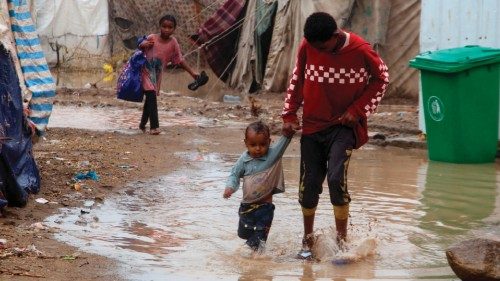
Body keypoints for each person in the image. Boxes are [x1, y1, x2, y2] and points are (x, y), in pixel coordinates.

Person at [281, 12, 389, 259]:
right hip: (312, 126)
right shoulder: (307, 46)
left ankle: (342, 241)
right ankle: (307, 240)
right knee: (308, 187)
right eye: (314, 46)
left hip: (343, 127)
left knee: (335, 179)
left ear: (335, 36)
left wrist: (356, 110)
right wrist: (288, 115)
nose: (319, 50)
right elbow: (297, 80)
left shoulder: (360, 49)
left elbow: (382, 78)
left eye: (323, 46)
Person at [223, 121, 294, 251]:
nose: (258, 148)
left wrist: (289, 132)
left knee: (259, 239)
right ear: (246, 143)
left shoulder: (272, 156)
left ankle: (255, 260)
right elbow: (234, 174)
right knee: (243, 233)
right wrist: (230, 188)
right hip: (246, 207)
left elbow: (283, 143)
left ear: (269, 142)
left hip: (265, 208)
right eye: (253, 145)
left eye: (262, 144)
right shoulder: (243, 161)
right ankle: (252, 251)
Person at [138, 14, 200, 135]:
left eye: (170, 27)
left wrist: (192, 73)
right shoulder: (152, 38)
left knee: (150, 99)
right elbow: (139, 49)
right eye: (164, 26)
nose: (166, 29)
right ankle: (154, 127)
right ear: (160, 26)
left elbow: (180, 60)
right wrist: (142, 45)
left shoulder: (173, 43)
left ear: (174, 29)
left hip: (157, 74)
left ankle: (142, 125)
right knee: (151, 95)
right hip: (145, 71)